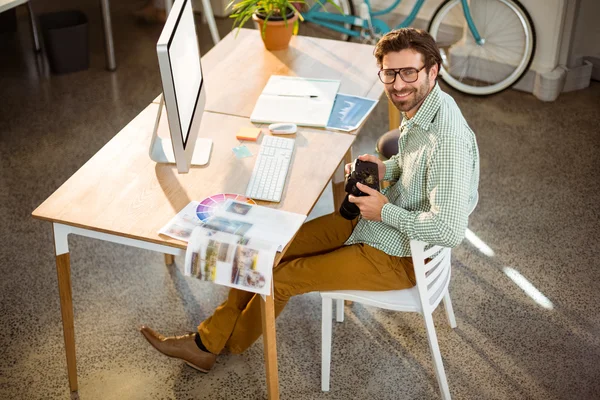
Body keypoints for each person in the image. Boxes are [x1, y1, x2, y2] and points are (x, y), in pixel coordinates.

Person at [139, 28, 480, 373]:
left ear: (432, 71)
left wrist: (385, 210)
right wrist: (386, 169)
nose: (398, 84)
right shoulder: (426, 107)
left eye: (409, 72)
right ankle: (209, 341)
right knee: (266, 247)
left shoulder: (446, 141)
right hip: (371, 222)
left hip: (398, 255)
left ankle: (221, 344)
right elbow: (415, 166)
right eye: (390, 73)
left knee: (282, 278)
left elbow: (449, 230)